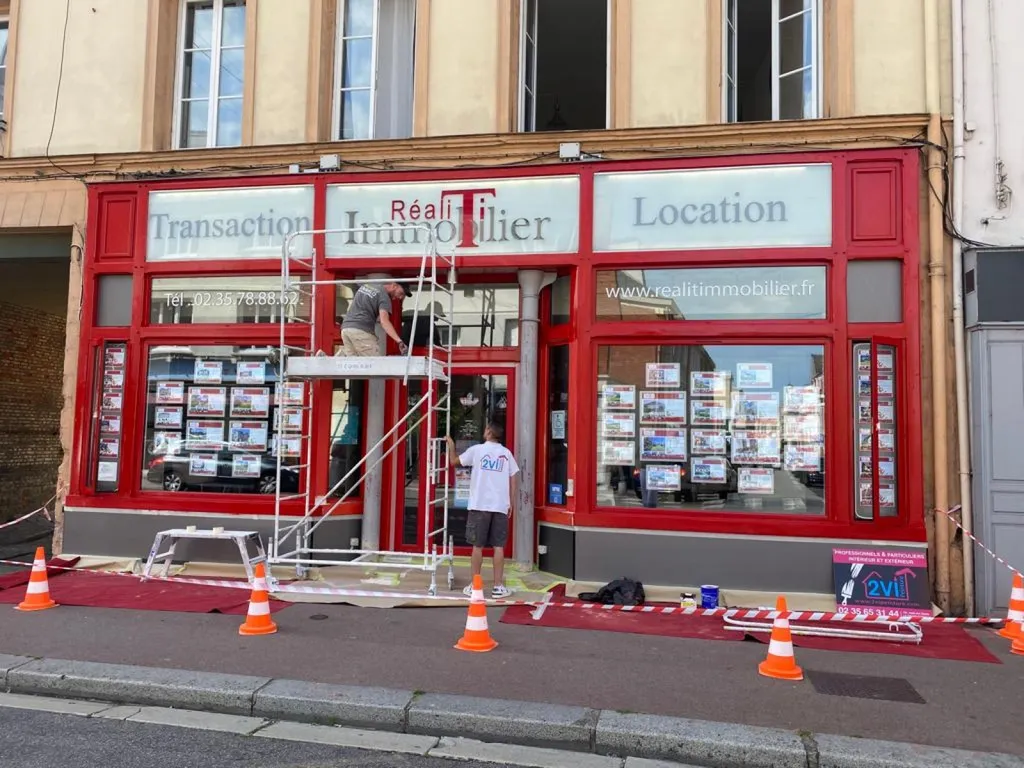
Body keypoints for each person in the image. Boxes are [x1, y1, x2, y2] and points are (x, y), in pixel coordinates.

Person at [446, 423, 519, 599]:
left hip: (479, 505)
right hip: (500, 506)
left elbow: (454, 462)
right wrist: (511, 503)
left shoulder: (477, 450)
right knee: (498, 546)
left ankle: (475, 586)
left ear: (488, 432)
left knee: (477, 546)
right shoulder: (506, 454)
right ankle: (498, 587)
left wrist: (451, 445)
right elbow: (514, 479)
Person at [337, 281, 412, 357]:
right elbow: (384, 321)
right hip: (361, 332)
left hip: (346, 329)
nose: (400, 297)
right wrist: (399, 341)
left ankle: (342, 354)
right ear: (394, 285)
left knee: (353, 364)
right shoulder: (384, 297)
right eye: (401, 293)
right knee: (374, 364)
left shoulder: (366, 286)